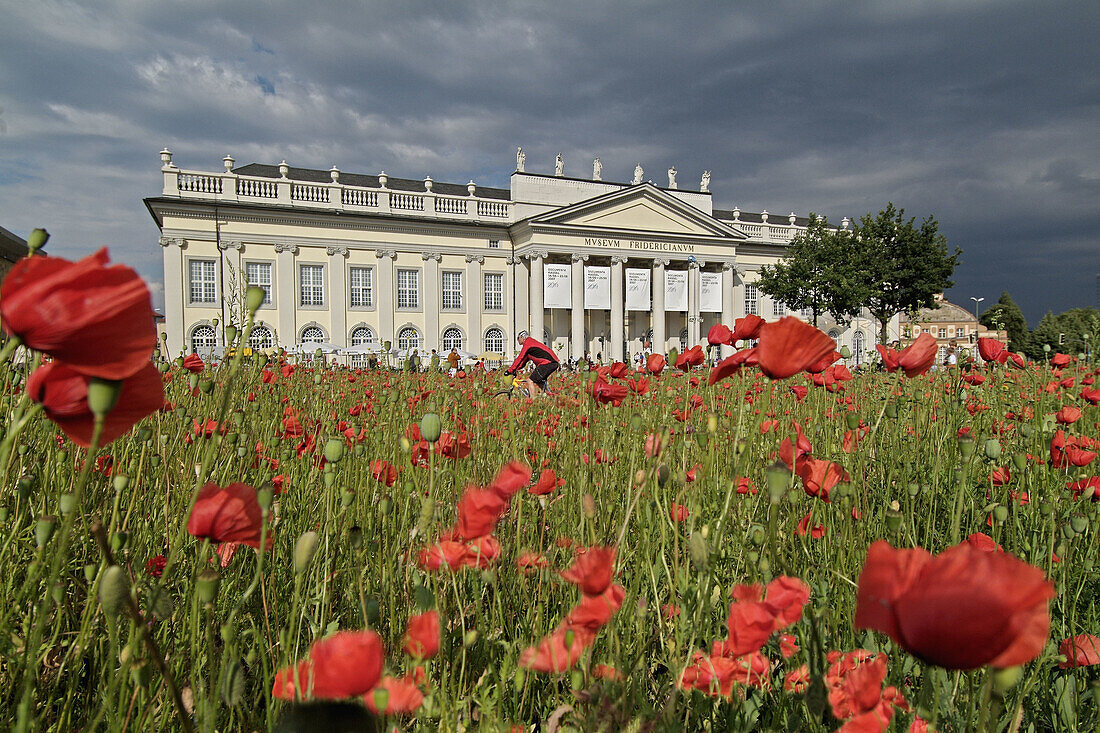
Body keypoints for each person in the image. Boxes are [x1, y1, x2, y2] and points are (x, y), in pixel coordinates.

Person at [506, 330, 559, 396]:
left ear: (523, 337)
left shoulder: (528, 343)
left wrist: (509, 370)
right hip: (551, 363)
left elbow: (519, 358)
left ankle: (532, 402)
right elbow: (523, 362)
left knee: (530, 381)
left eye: (518, 338)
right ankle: (549, 398)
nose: (518, 340)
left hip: (548, 363)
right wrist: (515, 370)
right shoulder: (530, 345)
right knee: (540, 383)